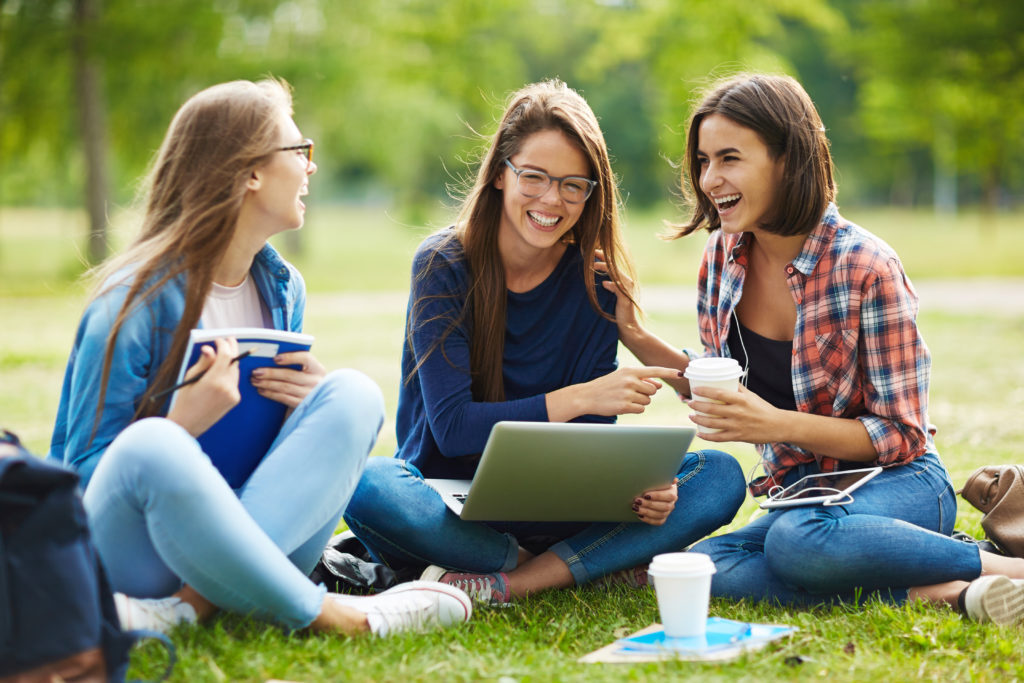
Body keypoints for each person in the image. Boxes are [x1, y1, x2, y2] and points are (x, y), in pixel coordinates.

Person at [48, 79, 471, 637]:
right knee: (154, 444)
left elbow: (277, 463)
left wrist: (305, 414)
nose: (311, 167)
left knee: (351, 394)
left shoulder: (283, 288)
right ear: (250, 172)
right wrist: (181, 423)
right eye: (300, 151)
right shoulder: (133, 303)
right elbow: (81, 482)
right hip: (136, 555)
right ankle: (341, 618)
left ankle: (191, 609)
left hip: (253, 542)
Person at [605, 72, 1024, 623]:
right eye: (703, 161)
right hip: (804, 495)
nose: (710, 179)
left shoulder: (867, 266)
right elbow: (723, 387)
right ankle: (951, 593)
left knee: (800, 544)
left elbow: (902, 436)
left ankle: (1004, 570)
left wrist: (774, 424)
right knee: (707, 564)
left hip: (901, 483)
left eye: (729, 158)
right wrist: (631, 329)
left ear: (787, 159)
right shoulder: (721, 259)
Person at [341, 79, 747, 605]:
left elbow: (587, 448)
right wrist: (581, 397)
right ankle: (571, 567)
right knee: (370, 485)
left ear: (590, 194)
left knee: (716, 476)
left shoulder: (595, 282)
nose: (552, 200)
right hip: (448, 503)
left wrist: (645, 489)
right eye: (534, 177)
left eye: (573, 185)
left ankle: (506, 581)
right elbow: (455, 430)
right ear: (499, 175)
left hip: (560, 512)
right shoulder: (443, 264)